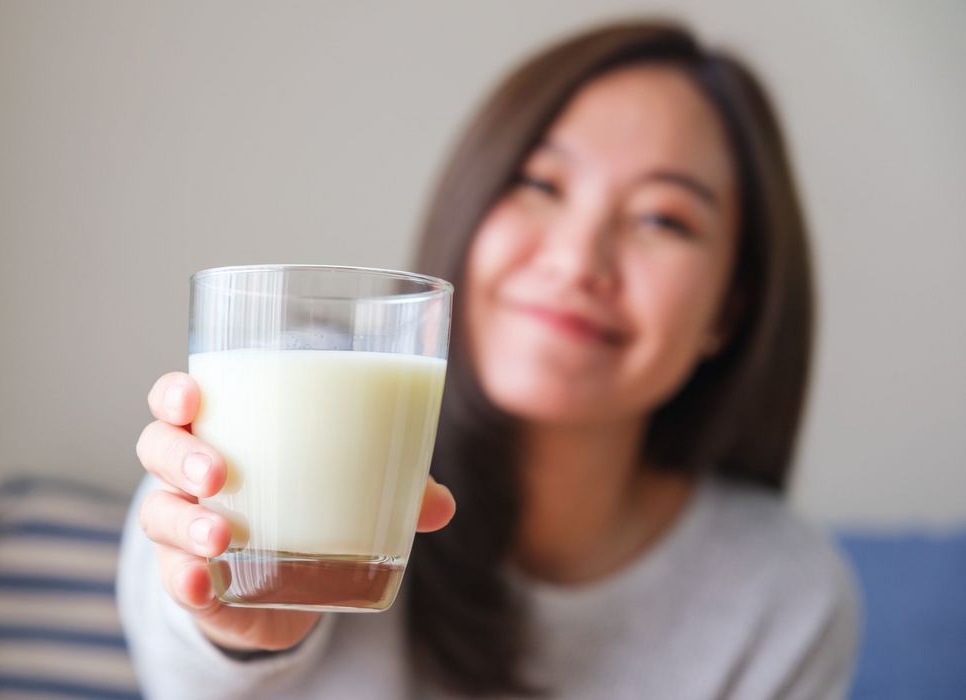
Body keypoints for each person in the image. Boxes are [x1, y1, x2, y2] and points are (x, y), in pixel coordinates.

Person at [118, 20, 859, 700]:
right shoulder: (285, 410)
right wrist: (234, 634)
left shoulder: (780, 592)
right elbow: (179, 666)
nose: (576, 260)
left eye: (662, 218)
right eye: (542, 184)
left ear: (729, 309)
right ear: (470, 209)